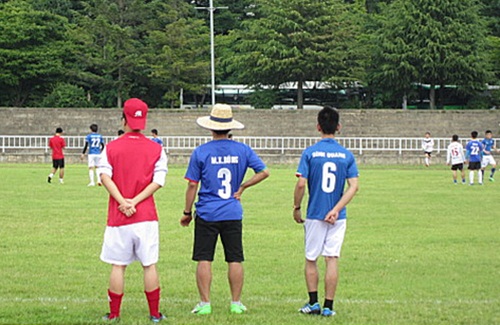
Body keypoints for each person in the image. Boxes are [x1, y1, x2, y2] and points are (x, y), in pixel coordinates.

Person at [180, 103, 269, 315]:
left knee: (204, 258)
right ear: (230, 127)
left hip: (207, 212)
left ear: (210, 127)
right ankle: (236, 302)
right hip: (232, 211)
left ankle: (205, 303)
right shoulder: (243, 150)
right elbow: (264, 172)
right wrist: (244, 186)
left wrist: (186, 212)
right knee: (235, 257)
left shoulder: (201, 152)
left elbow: (192, 184)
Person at [97, 98, 168, 323]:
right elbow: (158, 181)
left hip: (119, 217)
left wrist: (123, 201)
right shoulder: (157, 148)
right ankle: (155, 314)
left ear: (123, 119)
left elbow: (104, 176)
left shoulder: (111, 147)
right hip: (145, 215)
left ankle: (115, 314)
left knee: (118, 265)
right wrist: (135, 202)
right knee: (149, 265)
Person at [293, 106, 359, 317]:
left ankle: (313, 303)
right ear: (338, 127)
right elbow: (354, 186)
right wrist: (337, 209)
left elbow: (301, 184)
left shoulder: (310, 153)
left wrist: (296, 207)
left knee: (311, 259)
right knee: (332, 258)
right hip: (337, 217)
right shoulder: (346, 155)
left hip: (314, 213)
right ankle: (329, 306)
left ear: (318, 126)